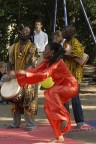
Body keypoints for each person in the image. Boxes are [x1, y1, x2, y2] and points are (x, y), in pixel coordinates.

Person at [9, 42, 78, 143]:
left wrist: (21, 72)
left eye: (46, 49)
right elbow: (36, 70)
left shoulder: (59, 62)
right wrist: (18, 72)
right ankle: (59, 136)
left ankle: (63, 117)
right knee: (48, 108)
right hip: (60, 88)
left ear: (52, 52)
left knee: (51, 92)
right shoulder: (47, 61)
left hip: (71, 86)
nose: (43, 51)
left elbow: (43, 75)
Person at [7, 26, 39, 131]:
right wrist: (9, 73)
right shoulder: (12, 47)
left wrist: (17, 73)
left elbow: (31, 64)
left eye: (27, 31)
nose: (24, 32)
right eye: (23, 30)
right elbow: (9, 62)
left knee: (28, 100)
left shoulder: (33, 47)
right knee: (14, 100)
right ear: (19, 32)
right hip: (15, 79)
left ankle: (31, 124)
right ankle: (15, 123)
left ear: (30, 35)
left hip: (28, 78)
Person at [62, 25, 85, 128]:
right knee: (65, 99)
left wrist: (64, 54)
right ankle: (67, 120)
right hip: (66, 75)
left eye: (65, 31)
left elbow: (79, 55)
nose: (63, 32)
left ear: (71, 33)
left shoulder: (75, 42)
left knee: (75, 99)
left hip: (75, 75)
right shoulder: (65, 43)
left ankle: (80, 121)